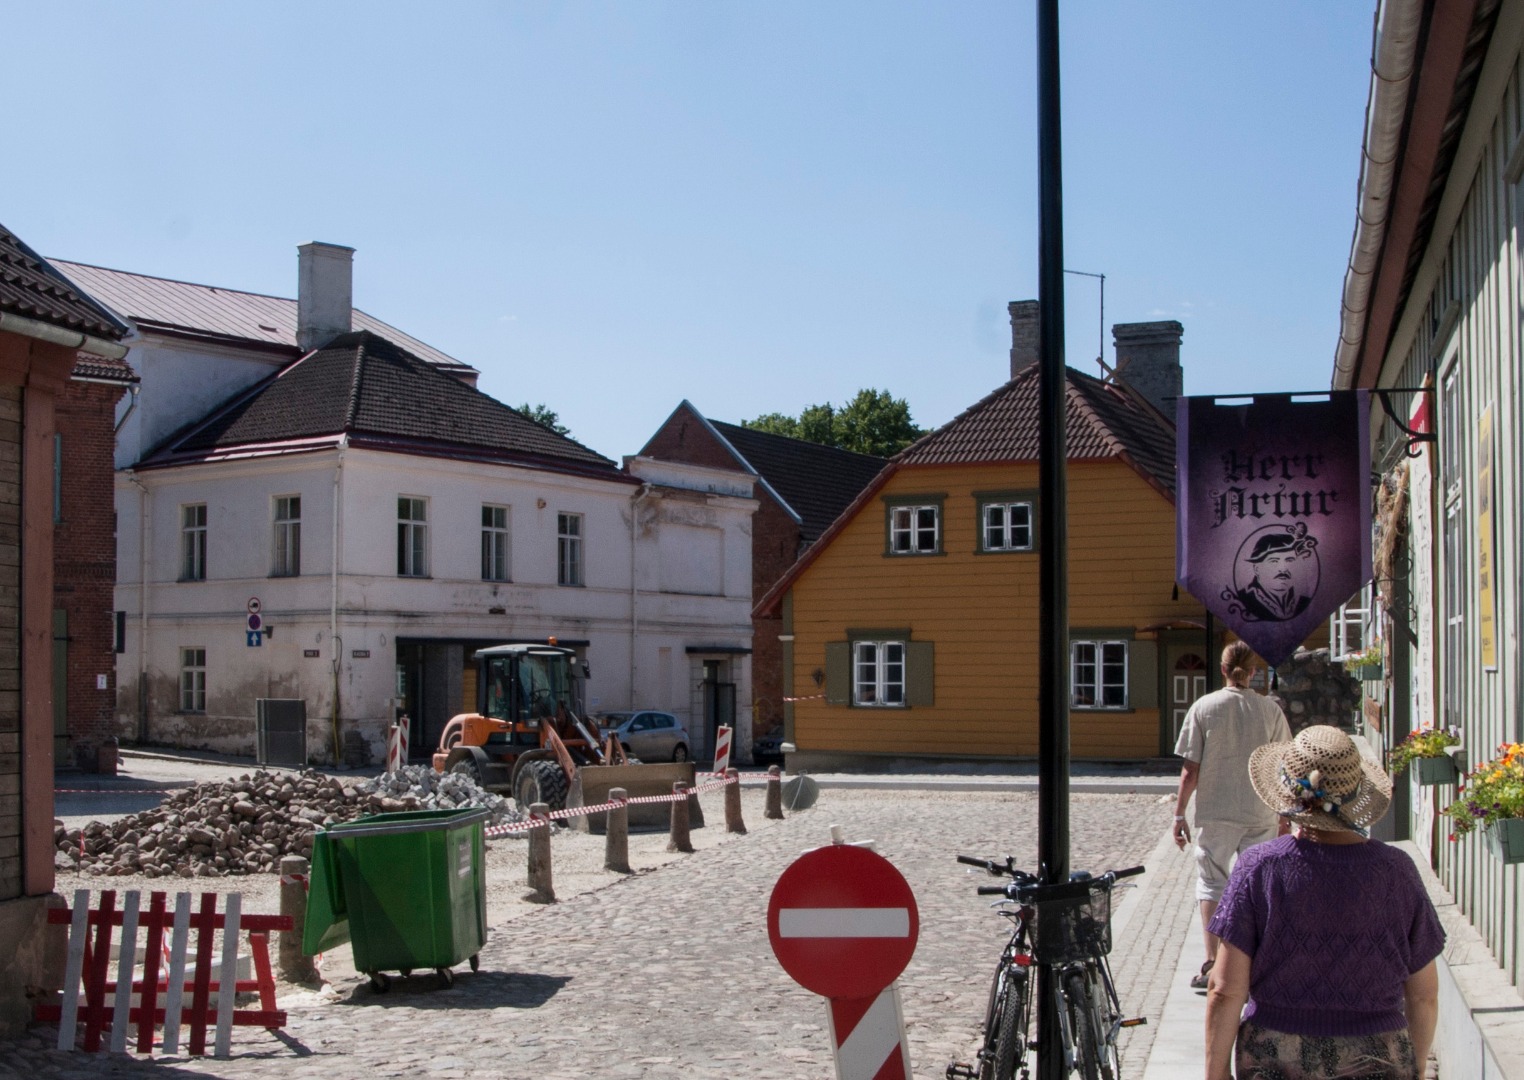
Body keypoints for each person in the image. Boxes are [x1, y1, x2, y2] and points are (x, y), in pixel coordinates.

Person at [1204, 725, 1443, 1080]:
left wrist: (1215, 1073)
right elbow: (1423, 996)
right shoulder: (1397, 871)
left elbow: (1225, 990)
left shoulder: (1260, 869)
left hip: (1276, 1057)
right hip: (1378, 1056)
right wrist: (1416, 1068)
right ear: (1357, 792)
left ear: (1287, 792)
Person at [1172, 641, 1291, 989]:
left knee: (1212, 883)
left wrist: (1179, 815)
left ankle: (1213, 963)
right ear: (1253, 672)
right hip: (1260, 811)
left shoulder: (1204, 708)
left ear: (1222, 669)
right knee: (1258, 885)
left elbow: (1189, 771)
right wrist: (1285, 814)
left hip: (1216, 811)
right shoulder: (1270, 711)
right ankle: (1257, 961)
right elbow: (1284, 766)